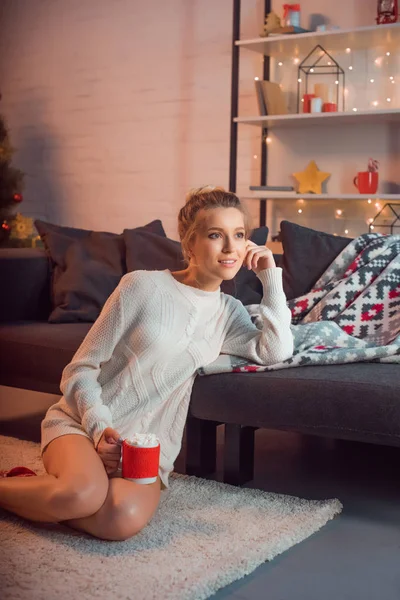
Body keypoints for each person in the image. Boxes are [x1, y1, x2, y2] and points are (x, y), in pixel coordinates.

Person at [0, 186, 293, 541]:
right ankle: (41, 493)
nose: (231, 248)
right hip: (83, 425)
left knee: (121, 520)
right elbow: (80, 369)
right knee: (82, 495)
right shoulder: (141, 286)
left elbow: (276, 350)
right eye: (216, 235)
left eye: (239, 235)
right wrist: (98, 427)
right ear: (189, 244)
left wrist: (270, 276)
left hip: (145, 446)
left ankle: (40, 494)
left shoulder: (229, 314)